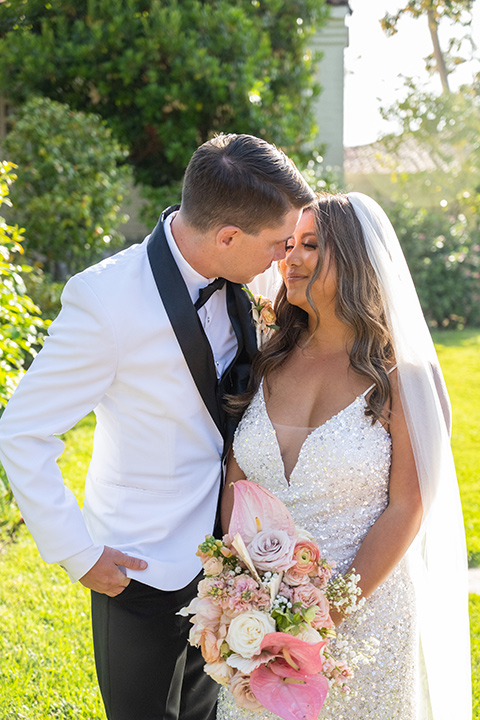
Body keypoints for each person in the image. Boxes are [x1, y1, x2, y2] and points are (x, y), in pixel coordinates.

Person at [0, 133, 315, 720]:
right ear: (228, 237)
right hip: (138, 563)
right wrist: (75, 551)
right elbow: (22, 431)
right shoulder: (105, 300)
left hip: (236, 559)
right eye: (277, 245)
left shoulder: (254, 278)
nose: (283, 259)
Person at [219, 192, 471, 720]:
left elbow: (408, 507)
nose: (291, 258)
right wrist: (240, 592)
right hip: (260, 624)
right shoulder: (270, 357)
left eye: (310, 245)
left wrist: (326, 612)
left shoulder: (404, 375)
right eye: (288, 245)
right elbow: (238, 481)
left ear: (357, 260)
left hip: (364, 620)